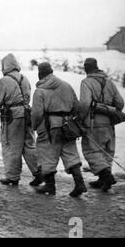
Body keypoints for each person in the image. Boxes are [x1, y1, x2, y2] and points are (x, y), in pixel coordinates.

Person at [31, 62, 87, 197]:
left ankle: (50, 186)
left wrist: (34, 126)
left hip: (49, 128)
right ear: (51, 72)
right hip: (68, 127)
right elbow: (77, 107)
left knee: (47, 155)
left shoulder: (39, 91)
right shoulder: (66, 86)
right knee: (70, 154)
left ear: (40, 74)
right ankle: (79, 183)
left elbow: (37, 113)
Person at [0, 54, 41, 186]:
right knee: (29, 145)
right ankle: (39, 172)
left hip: (12, 117)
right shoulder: (25, 78)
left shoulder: (4, 80)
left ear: (5, 66)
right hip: (27, 114)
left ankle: (12, 177)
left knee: (11, 146)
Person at [79, 58, 125, 192]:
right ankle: (104, 181)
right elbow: (120, 103)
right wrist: (109, 110)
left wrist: (81, 119)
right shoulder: (109, 82)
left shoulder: (86, 82)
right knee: (107, 151)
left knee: (91, 150)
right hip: (109, 123)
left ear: (86, 68)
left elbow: (85, 104)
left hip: (93, 123)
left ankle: (106, 176)